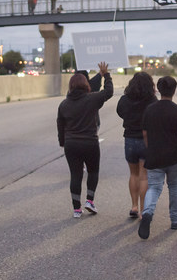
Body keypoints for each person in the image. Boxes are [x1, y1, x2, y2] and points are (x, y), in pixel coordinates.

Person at [138, 75, 177, 239]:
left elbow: (145, 133)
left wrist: (150, 149)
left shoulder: (150, 109)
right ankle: (175, 221)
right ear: (174, 90)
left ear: (159, 90)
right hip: (173, 157)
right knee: (174, 187)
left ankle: (147, 213)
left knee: (154, 187)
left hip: (154, 156)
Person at [56, 63, 112, 218]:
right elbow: (108, 92)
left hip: (71, 144)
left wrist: (63, 142)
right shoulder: (92, 99)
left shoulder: (64, 104)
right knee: (93, 171)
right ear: (86, 84)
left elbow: (60, 125)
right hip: (90, 143)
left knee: (75, 175)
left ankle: (76, 209)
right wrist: (105, 75)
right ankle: (89, 201)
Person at [116, 72, 156, 219]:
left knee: (133, 174)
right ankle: (143, 209)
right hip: (146, 140)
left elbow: (120, 112)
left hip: (130, 139)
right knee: (144, 176)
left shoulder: (124, 100)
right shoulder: (152, 100)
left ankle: (133, 206)